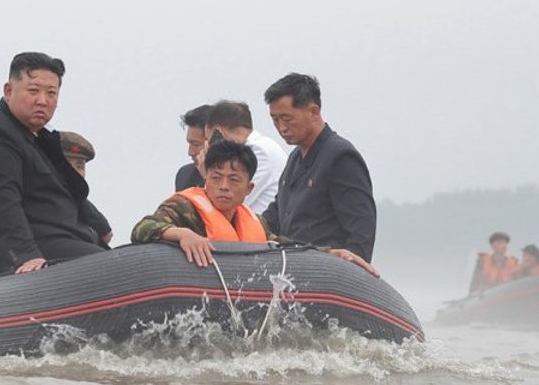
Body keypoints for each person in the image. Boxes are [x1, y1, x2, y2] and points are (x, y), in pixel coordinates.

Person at [0, 52, 109, 281]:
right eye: (33, 91)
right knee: (103, 267)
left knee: (121, 262)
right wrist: (26, 255)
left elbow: (66, 189)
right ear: (9, 91)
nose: (43, 101)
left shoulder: (39, 139)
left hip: (58, 237)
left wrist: (100, 226)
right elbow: (1, 202)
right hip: (5, 251)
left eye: (51, 93)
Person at [133, 140, 377, 274]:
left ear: (248, 189)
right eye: (216, 178)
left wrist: (332, 254)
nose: (224, 186)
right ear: (205, 179)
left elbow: (285, 246)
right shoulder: (184, 206)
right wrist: (182, 234)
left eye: (234, 179)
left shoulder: (253, 222)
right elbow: (143, 228)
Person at [260, 73, 378, 261]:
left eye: (287, 119)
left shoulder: (340, 156)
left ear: (314, 112)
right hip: (292, 269)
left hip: (326, 274)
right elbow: (275, 216)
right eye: (275, 120)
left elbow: (361, 231)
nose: (281, 128)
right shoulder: (294, 158)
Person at [202, 100, 288, 213]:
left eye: (209, 140)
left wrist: (206, 171)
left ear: (218, 133)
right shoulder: (264, 145)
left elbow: (224, 204)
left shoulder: (258, 150)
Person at [58, 130, 113, 244]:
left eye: (80, 166)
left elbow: (107, 235)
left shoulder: (81, 203)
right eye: (66, 164)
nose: (74, 172)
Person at [174, 105, 210, 191]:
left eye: (196, 145)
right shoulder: (184, 175)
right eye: (189, 144)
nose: (190, 152)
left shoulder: (240, 177)